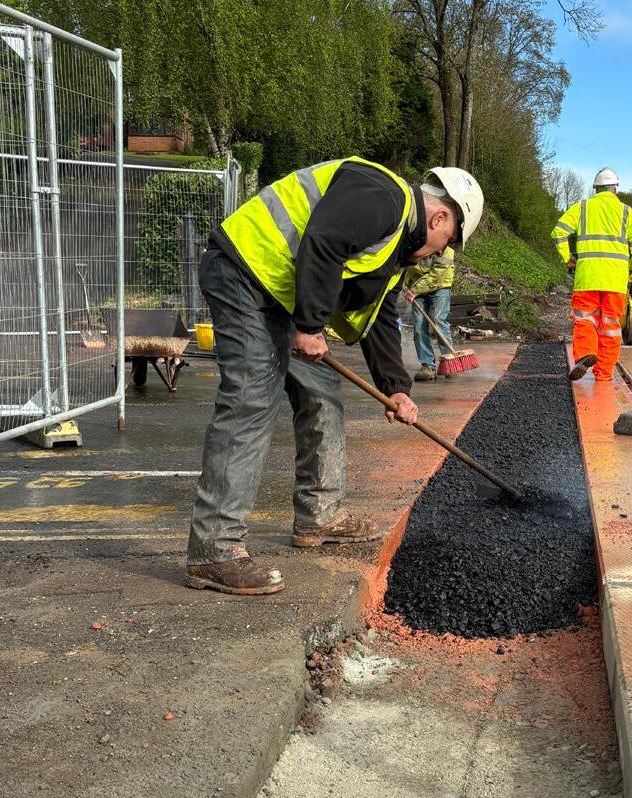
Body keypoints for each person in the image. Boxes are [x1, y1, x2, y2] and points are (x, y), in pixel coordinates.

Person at [185, 157, 483, 595]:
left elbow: (378, 317)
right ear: (439, 217)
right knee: (251, 401)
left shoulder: (393, 247)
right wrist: (309, 326)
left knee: (321, 393)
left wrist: (396, 389)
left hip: (283, 295)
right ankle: (214, 550)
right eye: (448, 241)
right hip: (244, 273)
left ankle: (319, 516)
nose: (441, 252)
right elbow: (324, 241)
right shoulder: (383, 196)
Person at [551, 167, 632, 381]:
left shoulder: (583, 207)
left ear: (595, 189)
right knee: (610, 326)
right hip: (615, 281)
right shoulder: (626, 212)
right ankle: (603, 374)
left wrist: (567, 257)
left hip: (587, 278)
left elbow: (558, 232)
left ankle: (586, 352)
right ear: (615, 189)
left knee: (585, 319)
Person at [405, 246, 456, 381]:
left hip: (440, 285)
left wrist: (414, 289)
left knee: (438, 321)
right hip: (416, 285)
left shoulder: (445, 247)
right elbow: (405, 265)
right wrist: (404, 284)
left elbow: (437, 274)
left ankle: (449, 362)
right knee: (419, 325)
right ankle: (428, 365)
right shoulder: (412, 242)